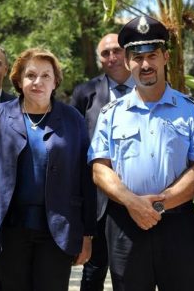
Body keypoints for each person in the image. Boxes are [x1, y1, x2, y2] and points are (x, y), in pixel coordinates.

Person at [88, 15, 194, 290]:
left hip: (177, 223)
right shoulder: (111, 115)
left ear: (165, 57)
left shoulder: (192, 111)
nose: (145, 64)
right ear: (128, 62)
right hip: (125, 224)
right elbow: (99, 167)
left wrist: (157, 205)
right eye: (137, 57)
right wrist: (133, 203)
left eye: (152, 55)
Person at [0, 47, 96, 291]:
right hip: (9, 231)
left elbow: (85, 179)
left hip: (57, 231)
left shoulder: (73, 118)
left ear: (55, 81)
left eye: (46, 75)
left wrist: (86, 234)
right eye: (31, 75)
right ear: (19, 80)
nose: (38, 82)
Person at [70, 33, 134, 291]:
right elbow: (72, 146)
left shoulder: (148, 88)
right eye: (105, 53)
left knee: (131, 270)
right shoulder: (85, 93)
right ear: (99, 60)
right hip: (97, 200)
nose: (112, 57)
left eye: (117, 50)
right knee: (94, 270)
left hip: (138, 196)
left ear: (127, 53)